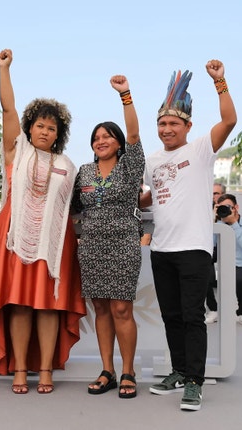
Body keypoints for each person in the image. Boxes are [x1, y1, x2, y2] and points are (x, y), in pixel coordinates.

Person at [0, 49, 86, 394]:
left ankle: (46, 369)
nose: (45, 130)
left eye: (52, 127)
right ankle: (21, 369)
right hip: (16, 242)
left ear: (58, 134)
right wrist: (3, 69)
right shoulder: (17, 150)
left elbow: (80, 203)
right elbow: (7, 108)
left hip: (54, 247)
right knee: (21, 304)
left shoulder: (67, 165)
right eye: (40, 124)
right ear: (30, 127)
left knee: (50, 306)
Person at [141, 61, 237, 411]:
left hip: (194, 250)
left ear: (187, 126)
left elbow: (229, 121)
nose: (166, 129)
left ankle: (195, 381)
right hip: (162, 249)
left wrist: (220, 83)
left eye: (173, 124)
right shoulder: (152, 160)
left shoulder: (199, 150)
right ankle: (179, 371)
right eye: (162, 123)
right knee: (172, 317)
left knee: (193, 317)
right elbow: (150, 195)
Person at [72, 75, 145, 399]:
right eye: (96, 138)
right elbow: (72, 207)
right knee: (101, 309)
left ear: (118, 142)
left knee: (121, 309)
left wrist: (125, 95)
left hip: (124, 243)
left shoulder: (131, 166)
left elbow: (134, 133)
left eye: (107, 136)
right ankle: (107, 370)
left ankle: (128, 371)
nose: (101, 141)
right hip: (91, 247)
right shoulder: (84, 172)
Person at [215, 194, 242, 327]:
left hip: (241, 264)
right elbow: (209, 245)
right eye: (221, 207)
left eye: (228, 207)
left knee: (241, 278)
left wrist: (233, 223)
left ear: (236, 207)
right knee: (202, 274)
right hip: (221, 264)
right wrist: (212, 219)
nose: (225, 210)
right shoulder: (218, 224)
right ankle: (212, 310)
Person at [205, 182, 226, 324]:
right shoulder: (204, 209)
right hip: (208, 252)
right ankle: (213, 308)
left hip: (225, 251)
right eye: (212, 193)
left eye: (216, 193)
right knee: (204, 274)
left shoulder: (226, 210)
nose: (214, 196)